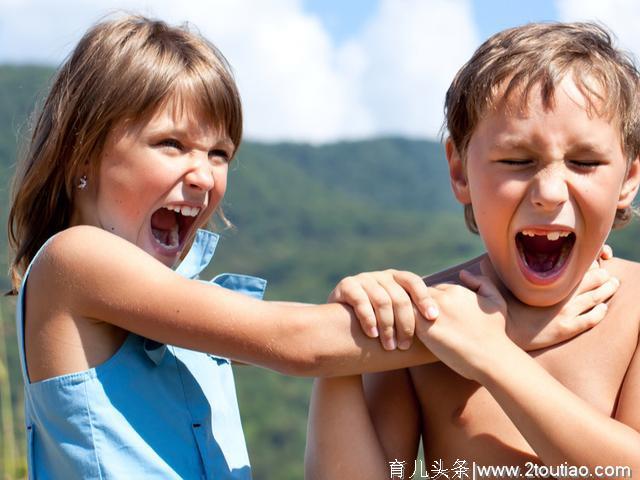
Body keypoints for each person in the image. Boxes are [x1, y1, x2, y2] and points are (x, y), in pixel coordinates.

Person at [306, 22, 640, 479]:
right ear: (460, 172)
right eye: (517, 161)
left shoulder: (635, 310)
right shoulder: (421, 319)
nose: (549, 192)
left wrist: (492, 356)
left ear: (629, 179)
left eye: (585, 162)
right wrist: (344, 344)